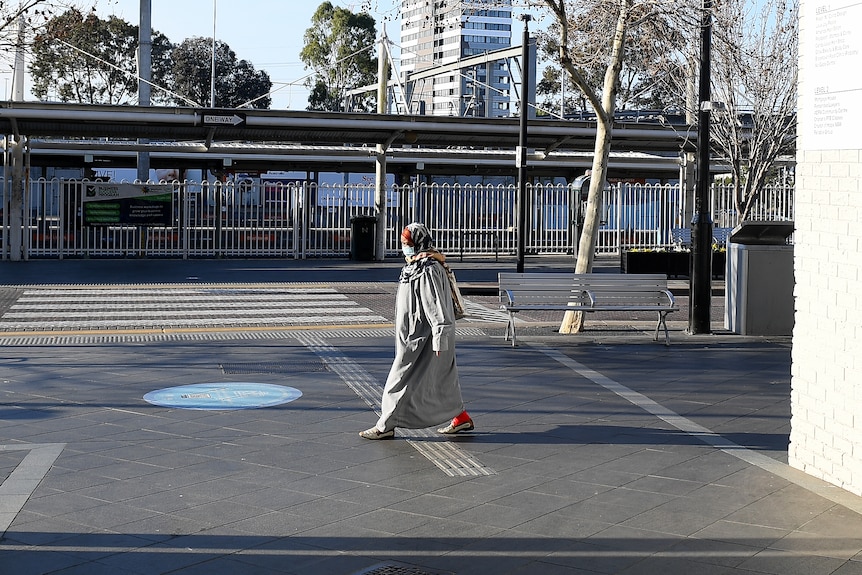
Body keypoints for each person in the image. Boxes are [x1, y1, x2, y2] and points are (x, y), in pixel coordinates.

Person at [359, 222, 474, 439]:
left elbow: (437, 305)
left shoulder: (428, 269)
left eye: (407, 243)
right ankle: (461, 418)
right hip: (412, 334)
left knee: (399, 379)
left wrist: (440, 339)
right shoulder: (415, 265)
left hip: (422, 337)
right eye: (403, 243)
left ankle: (385, 425)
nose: (405, 247)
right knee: (442, 379)